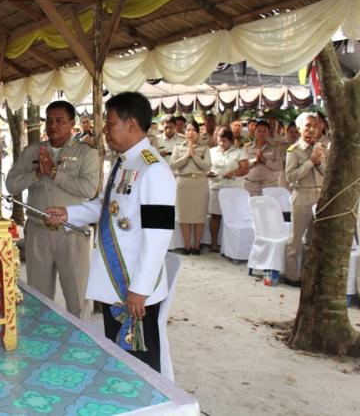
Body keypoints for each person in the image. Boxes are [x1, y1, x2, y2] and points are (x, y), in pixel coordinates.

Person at [45, 92, 175, 372]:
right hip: (114, 282)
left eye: (110, 123)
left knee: (140, 366)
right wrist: (69, 214)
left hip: (133, 285)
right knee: (118, 358)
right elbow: (106, 207)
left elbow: (159, 234)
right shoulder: (124, 162)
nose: (104, 130)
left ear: (131, 125)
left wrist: (139, 289)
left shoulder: (154, 170)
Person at [5, 100, 99, 319]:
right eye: (49, 120)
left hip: (71, 232)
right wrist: (37, 174)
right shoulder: (32, 152)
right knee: (39, 296)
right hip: (38, 230)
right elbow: (11, 185)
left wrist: (55, 173)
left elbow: (89, 188)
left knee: (77, 296)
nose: (53, 125)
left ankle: (81, 343)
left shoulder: (86, 153)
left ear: (72, 124)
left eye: (59, 121)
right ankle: (42, 339)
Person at [284, 112, 326, 287]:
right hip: (301, 196)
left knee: (313, 241)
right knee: (295, 240)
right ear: (300, 128)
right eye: (308, 125)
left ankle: (308, 276)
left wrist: (318, 160)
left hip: (319, 196)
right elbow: (290, 177)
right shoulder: (293, 150)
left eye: (315, 126)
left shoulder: (321, 148)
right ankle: (292, 275)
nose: (311, 129)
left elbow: (327, 172)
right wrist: (310, 162)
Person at [170, 120, 211, 255]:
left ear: (198, 132)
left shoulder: (204, 148)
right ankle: (187, 245)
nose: (190, 132)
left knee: (199, 216)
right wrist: (187, 156)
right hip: (183, 182)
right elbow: (173, 165)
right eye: (188, 130)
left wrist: (194, 156)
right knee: (184, 216)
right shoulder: (178, 147)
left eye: (193, 130)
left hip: (199, 182)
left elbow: (207, 166)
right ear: (184, 132)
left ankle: (197, 245)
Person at [208, 127, 249, 252]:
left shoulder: (240, 152)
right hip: (216, 187)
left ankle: (232, 245)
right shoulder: (211, 151)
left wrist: (234, 173)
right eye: (219, 141)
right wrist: (208, 173)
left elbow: (245, 169)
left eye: (224, 141)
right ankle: (214, 243)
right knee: (215, 216)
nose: (221, 144)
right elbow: (205, 166)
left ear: (230, 140)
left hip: (233, 189)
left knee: (233, 217)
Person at [243, 119, 283, 196]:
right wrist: (255, 161)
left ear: (268, 133)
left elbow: (279, 166)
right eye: (259, 131)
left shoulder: (274, 148)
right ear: (254, 132)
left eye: (264, 131)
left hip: (269, 185)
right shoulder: (247, 148)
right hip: (251, 185)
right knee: (251, 207)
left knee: (269, 207)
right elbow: (243, 166)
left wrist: (265, 161)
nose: (261, 133)